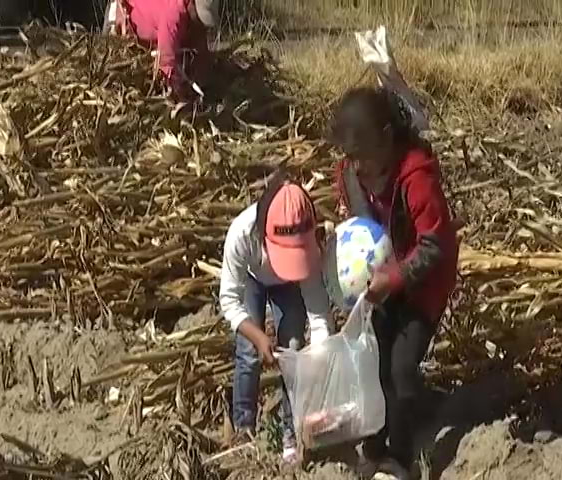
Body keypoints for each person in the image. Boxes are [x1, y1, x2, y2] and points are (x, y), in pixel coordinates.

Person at [330, 87, 459, 480]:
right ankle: (374, 446)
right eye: (351, 158)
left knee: (401, 369)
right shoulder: (353, 173)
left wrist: (397, 276)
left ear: (387, 138)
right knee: (374, 361)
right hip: (382, 277)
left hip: (424, 283)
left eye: (363, 157)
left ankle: (400, 458)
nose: (357, 167)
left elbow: (436, 245)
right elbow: (363, 225)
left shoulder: (416, 176)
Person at [218, 170, 333, 464]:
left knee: (293, 347)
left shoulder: (308, 248)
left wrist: (318, 360)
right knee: (247, 354)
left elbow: (318, 313)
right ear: (263, 234)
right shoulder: (242, 234)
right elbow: (229, 301)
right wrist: (257, 336)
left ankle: (291, 433)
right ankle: (244, 430)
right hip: (253, 281)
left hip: (288, 287)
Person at [105, 0, 219, 101]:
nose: (200, 21)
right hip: (121, 21)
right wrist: (179, 93)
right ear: (192, 3)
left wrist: (206, 77)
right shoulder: (173, 14)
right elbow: (166, 62)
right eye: (200, 16)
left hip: (149, 39)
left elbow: (201, 50)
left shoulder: (194, 19)